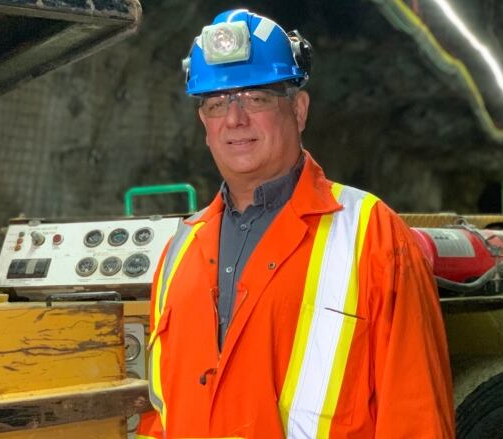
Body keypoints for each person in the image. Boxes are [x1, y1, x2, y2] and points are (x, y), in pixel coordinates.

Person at [138, 9, 453, 438]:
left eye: (257, 98)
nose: (235, 119)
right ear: (204, 124)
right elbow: (161, 413)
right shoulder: (179, 252)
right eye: (217, 104)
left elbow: (415, 417)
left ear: (299, 110)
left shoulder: (372, 237)